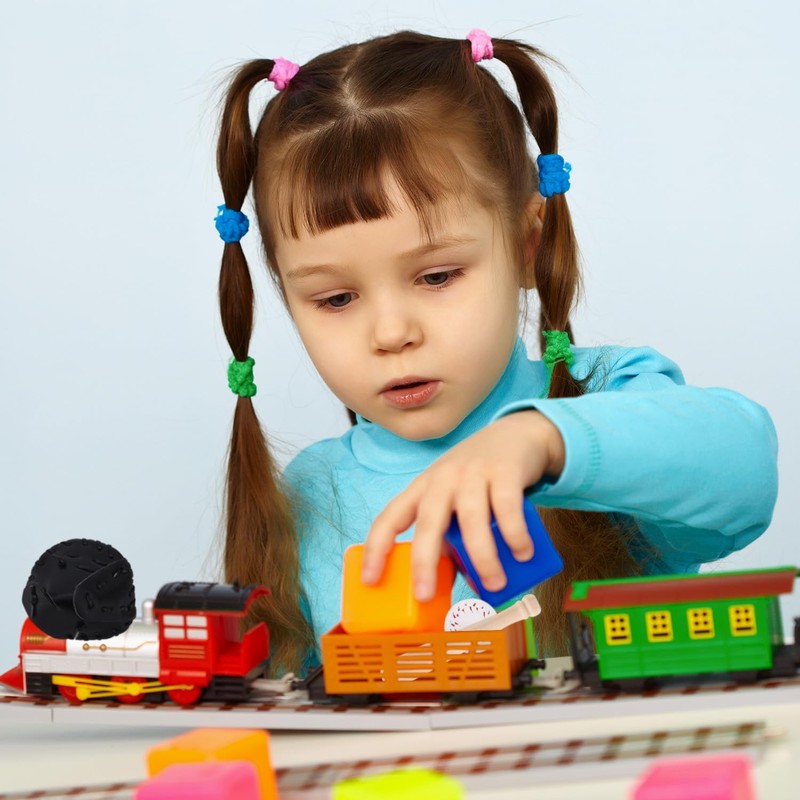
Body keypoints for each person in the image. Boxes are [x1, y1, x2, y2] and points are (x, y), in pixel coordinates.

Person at [213, 29, 778, 675]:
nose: (391, 333)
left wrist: (539, 440)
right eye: (336, 298)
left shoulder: (606, 399)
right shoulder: (311, 493)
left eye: (436, 277)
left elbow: (745, 463)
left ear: (528, 245)